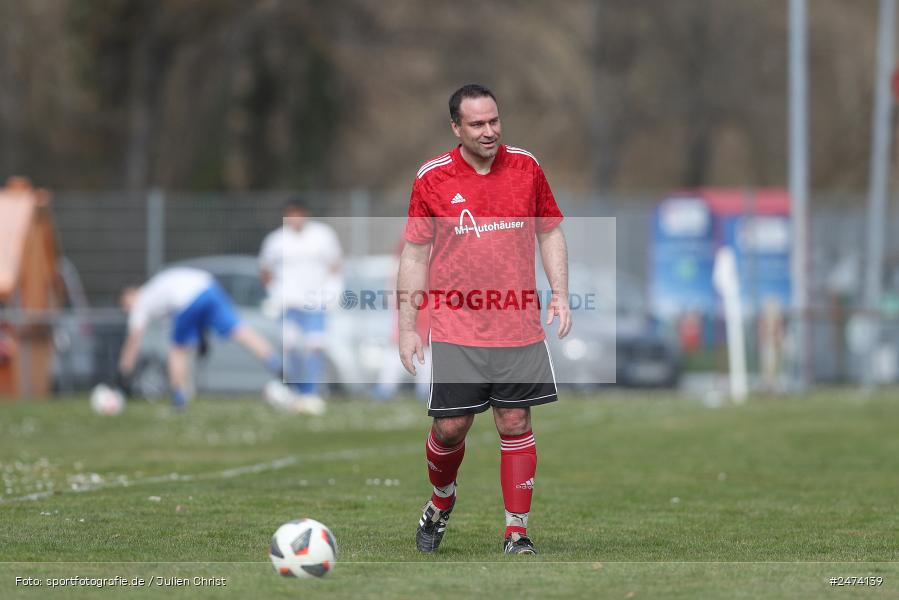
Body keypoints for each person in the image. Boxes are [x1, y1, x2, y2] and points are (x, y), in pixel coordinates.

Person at [399, 84, 571, 556]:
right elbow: (415, 255)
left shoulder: (527, 167)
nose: (490, 131)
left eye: (494, 120)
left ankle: (517, 531)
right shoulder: (432, 177)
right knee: (450, 428)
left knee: (514, 421)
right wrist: (408, 325)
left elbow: (550, 232)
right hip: (457, 325)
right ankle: (440, 501)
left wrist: (560, 294)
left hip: (517, 324)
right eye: (477, 124)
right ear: (456, 127)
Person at [117, 266, 283, 410]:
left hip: (187, 299)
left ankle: (178, 398)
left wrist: (123, 376)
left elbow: (133, 343)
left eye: (125, 306)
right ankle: (277, 366)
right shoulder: (154, 286)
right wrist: (201, 333)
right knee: (239, 330)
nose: (127, 310)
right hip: (208, 286)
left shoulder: (141, 304)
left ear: (131, 295)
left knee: (178, 349)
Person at [259, 197, 342, 404]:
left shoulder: (323, 235)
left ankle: (311, 391)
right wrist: (274, 294)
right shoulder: (275, 240)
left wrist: (333, 292)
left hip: (315, 302)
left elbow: (335, 265)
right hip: (289, 304)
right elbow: (265, 270)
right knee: (291, 345)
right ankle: (298, 388)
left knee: (316, 345)